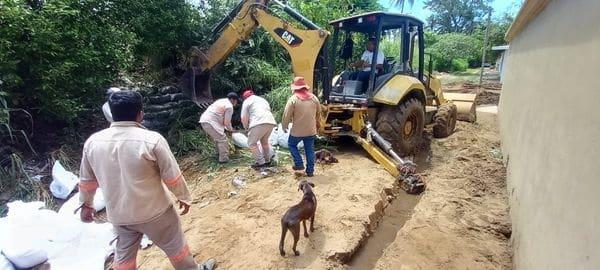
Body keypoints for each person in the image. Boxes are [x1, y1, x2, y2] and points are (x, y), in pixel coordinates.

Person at [78, 91, 215, 270]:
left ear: (111, 112)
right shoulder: (151, 140)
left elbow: (87, 181)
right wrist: (184, 197)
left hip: (120, 216)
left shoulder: (93, 143)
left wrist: (86, 205)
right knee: (176, 247)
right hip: (156, 212)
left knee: (124, 258)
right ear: (140, 113)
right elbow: (171, 176)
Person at [282, 77, 321, 177]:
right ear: (305, 87)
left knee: (291, 144)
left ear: (295, 88)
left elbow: (286, 115)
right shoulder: (314, 98)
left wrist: (284, 126)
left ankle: (299, 164)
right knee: (309, 150)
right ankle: (310, 171)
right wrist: (318, 124)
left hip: (297, 131)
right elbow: (319, 113)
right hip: (311, 131)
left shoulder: (293, 99)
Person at [240, 88, 277, 169]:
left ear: (245, 97)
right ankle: (267, 161)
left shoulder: (247, 101)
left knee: (251, 143)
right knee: (264, 142)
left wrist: (246, 127)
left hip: (258, 122)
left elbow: (243, 117)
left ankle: (260, 162)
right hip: (270, 122)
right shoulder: (262, 100)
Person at [199, 92, 239, 163]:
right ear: (233, 100)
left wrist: (228, 129)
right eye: (236, 101)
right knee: (222, 139)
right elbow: (227, 122)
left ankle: (218, 154)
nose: (236, 103)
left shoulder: (221, 101)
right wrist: (231, 130)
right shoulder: (229, 106)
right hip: (210, 122)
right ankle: (223, 159)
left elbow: (222, 119)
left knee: (218, 138)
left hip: (204, 120)